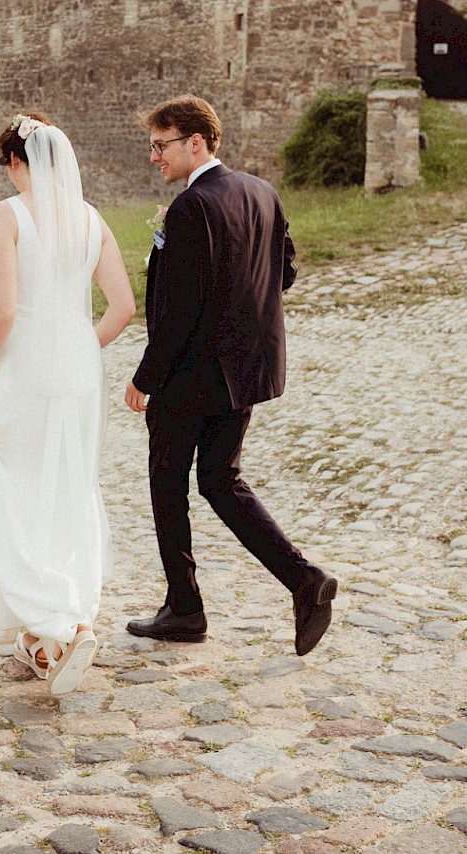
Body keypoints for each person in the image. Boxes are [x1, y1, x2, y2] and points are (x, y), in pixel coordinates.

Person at [124, 94, 337, 656]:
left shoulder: (191, 208)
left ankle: (184, 608)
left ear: (196, 142)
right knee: (220, 479)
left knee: (168, 480)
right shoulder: (261, 192)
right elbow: (284, 270)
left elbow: (179, 309)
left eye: (161, 145)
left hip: (190, 375)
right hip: (241, 371)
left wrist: (145, 377)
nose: (154, 156)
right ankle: (304, 580)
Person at [0, 110, 135, 694]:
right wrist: (77, 346)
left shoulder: (5, 216)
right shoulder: (90, 218)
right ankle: (62, 624)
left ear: (14, 161)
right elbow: (123, 307)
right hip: (78, 373)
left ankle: (52, 619)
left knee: (6, 487)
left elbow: (3, 310)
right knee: (67, 486)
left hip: (25, 367)